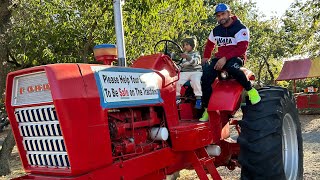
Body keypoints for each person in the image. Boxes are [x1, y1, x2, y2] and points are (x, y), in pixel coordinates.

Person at [199, 3, 261, 121]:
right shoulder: (216, 30)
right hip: (220, 57)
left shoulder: (240, 28)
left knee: (233, 68)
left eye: (223, 14)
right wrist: (206, 57)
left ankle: (250, 90)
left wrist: (225, 58)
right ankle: (207, 109)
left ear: (229, 13)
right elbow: (209, 45)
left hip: (236, 56)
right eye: (218, 15)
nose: (221, 17)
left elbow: (242, 48)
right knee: (205, 77)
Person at [176, 37, 202, 109]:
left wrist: (187, 57)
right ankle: (177, 98)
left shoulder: (196, 54)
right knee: (176, 80)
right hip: (185, 72)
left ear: (192, 45)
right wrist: (177, 67)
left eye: (187, 45)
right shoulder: (184, 55)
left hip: (195, 72)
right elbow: (181, 65)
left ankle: (198, 99)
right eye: (184, 45)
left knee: (195, 81)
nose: (185, 47)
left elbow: (195, 62)